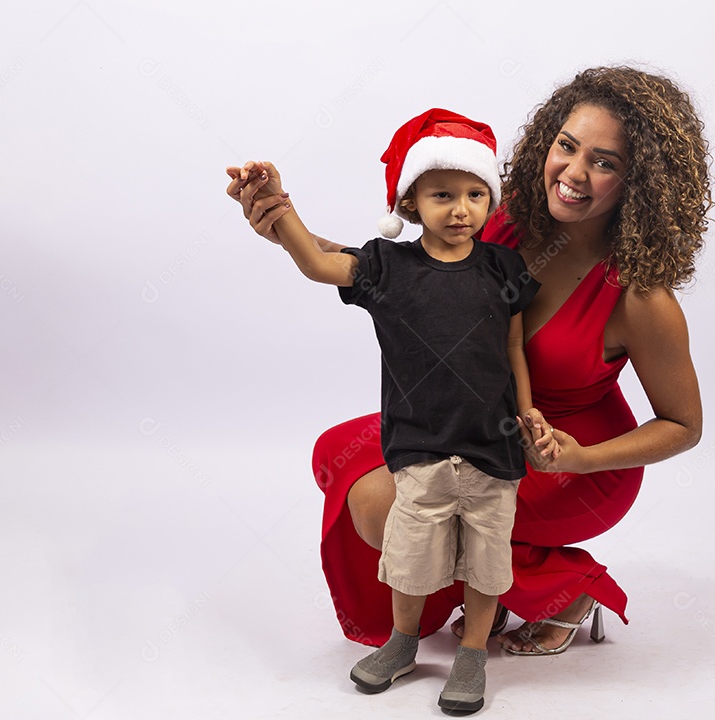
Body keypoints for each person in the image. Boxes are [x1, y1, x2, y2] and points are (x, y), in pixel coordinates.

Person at [225, 65, 710, 658]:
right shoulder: (500, 221)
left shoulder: (640, 296)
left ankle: (563, 590)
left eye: (604, 162)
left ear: (640, 182)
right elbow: (394, 271)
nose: (574, 173)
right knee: (338, 453)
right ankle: (494, 583)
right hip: (472, 416)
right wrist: (285, 226)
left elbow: (684, 425)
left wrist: (583, 459)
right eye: (566, 146)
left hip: (567, 455)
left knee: (385, 506)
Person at [235, 108, 560, 713]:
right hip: (419, 447)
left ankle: (470, 654)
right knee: (410, 561)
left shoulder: (504, 269)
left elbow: (513, 347)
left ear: (489, 200)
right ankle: (403, 642)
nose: (460, 209)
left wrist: (528, 411)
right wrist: (280, 209)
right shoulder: (389, 267)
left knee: (488, 564)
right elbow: (317, 262)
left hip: (494, 448)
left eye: (473, 194)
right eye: (442, 195)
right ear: (411, 203)